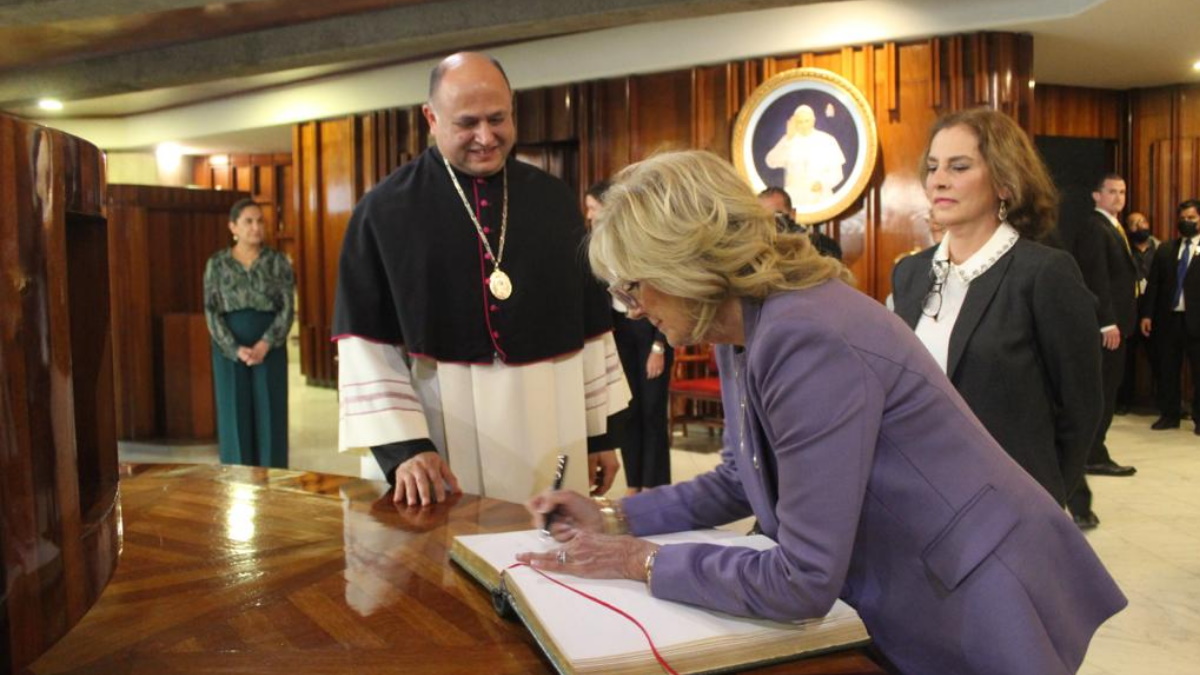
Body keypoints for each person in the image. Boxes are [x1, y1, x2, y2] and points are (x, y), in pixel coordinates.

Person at [518, 149, 1125, 675]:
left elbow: (801, 580)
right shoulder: (741, 320)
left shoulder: (803, 335)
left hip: (973, 589)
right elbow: (743, 475)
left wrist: (638, 560)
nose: (631, 309)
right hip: (923, 571)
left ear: (686, 266)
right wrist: (614, 516)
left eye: (635, 287)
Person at [332, 52, 629, 506]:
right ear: (431, 117)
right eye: (467, 123)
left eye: (498, 119)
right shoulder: (384, 211)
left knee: (549, 553)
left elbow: (588, 324)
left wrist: (599, 434)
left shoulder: (551, 199)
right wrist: (405, 448)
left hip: (550, 419)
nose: (486, 138)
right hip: (437, 431)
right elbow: (363, 340)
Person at [891, 109, 1103, 524]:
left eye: (959, 166)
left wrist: (1043, 497)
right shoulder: (910, 273)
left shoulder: (1044, 273)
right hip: (917, 500)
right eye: (933, 167)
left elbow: (1081, 407)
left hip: (1009, 511)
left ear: (1005, 181)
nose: (938, 180)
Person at [586, 181, 674, 494]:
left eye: (593, 208)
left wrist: (658, 346)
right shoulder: (595, 243)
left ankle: (655, 486)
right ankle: (634, 485)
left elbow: (662, 294)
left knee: (652, 411)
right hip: (618, 331)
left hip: (651, 329)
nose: (589, 215)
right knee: (629, 411)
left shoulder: (638, 241)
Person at [203, 198, 294, 468]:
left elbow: (288, 308)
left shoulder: (278, 262)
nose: (256, 227)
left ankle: (273, 479)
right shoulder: (217, 264)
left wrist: (267, 342)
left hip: (270, 346)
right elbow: (211, 309)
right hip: (229, 350)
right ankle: (237, 480)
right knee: (234, 413)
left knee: (270, 413)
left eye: (260, 221)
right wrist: (233, 348)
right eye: (249, 221)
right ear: (233, 227)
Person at [1064, 173, 1138, 479]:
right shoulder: (1095, 228)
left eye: (1122, 191)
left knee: (1109, 387)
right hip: (1107, 325)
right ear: (1097, 195)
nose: (1118, 197)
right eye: (1111, 192)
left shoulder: (1114, 226)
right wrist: (1106, 322)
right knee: (1103, 390)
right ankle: (1092, 453)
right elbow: (1097, 278)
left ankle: (1094, 450)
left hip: (1119, 321)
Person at [1140, 199, 1200, 433]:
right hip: (1169, 320)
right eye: (1183, 219)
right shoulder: (1166, 249)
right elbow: (1153, 285)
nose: (1186, 222)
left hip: (1197, 321)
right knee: (1167, 370)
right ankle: (1169, 414)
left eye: (1192, 219)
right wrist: (1147, 315)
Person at [1117, 211, 1159, 414]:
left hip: (1154, 308)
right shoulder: (1124, 249)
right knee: (1127, 360)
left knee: (1159, 358)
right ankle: (1123, 401)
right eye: (1133, 224)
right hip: (1130, 306)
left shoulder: (1160, 248)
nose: (1139, 226)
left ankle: (1165, 403)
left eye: (1142, 221)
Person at [765, 104, 845, 208]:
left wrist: (823, 183)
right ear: (795, 123)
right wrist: (788, 140)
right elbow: (770, 162)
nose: (803, 125)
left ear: (813, 120)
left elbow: (837, 174)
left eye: (807, 121)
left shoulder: (827, 140)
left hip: (821, 198)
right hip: (795, 200)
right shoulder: (788, 140)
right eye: (800, 122)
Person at [757, 186, 843, 260]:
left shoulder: (820, 245)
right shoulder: (753, 250)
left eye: (777, 215)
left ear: (792, 214)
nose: (770, 222)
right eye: (763, 216)